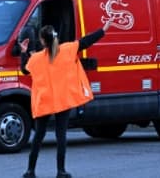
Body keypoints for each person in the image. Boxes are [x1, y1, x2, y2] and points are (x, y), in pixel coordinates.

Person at [19, 20, 112, 178]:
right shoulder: (67, 50)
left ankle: (30, 170)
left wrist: (23, 52)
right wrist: (103, 29)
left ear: (42, 41)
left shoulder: (36, 59)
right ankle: (61, 171)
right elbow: (86, 41)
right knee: (61, 136)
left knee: (39, 136)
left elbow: (24, 70)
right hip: (63, 99)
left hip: (44, 101)